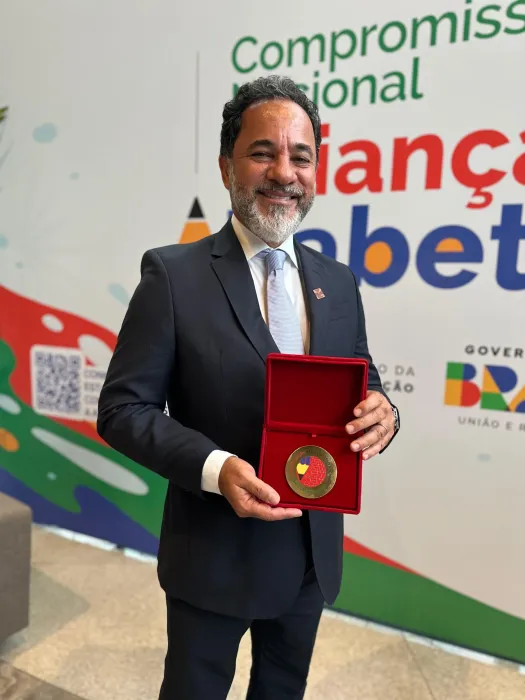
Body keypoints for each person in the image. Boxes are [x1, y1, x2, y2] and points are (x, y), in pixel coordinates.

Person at [97, 74, 400, 700]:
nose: (284, 172)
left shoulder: (339, 282)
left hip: (311, 555)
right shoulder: (173, 275)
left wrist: (385, 412)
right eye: (263, 152)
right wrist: (215, 468)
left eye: (301, 156)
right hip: (214, 557)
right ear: (226, 166)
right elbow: (123, 409)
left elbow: (361, 376)